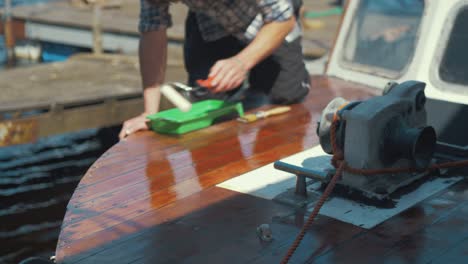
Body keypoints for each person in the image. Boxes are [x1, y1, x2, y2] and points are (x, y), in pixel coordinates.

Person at [119, 0, 311, 139]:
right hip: (210, 22)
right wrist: (149, 113)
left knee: (286, 96)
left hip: (269, 20)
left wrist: (241, 63)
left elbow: (283, 19)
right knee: (204, 108)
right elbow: (153, 31)